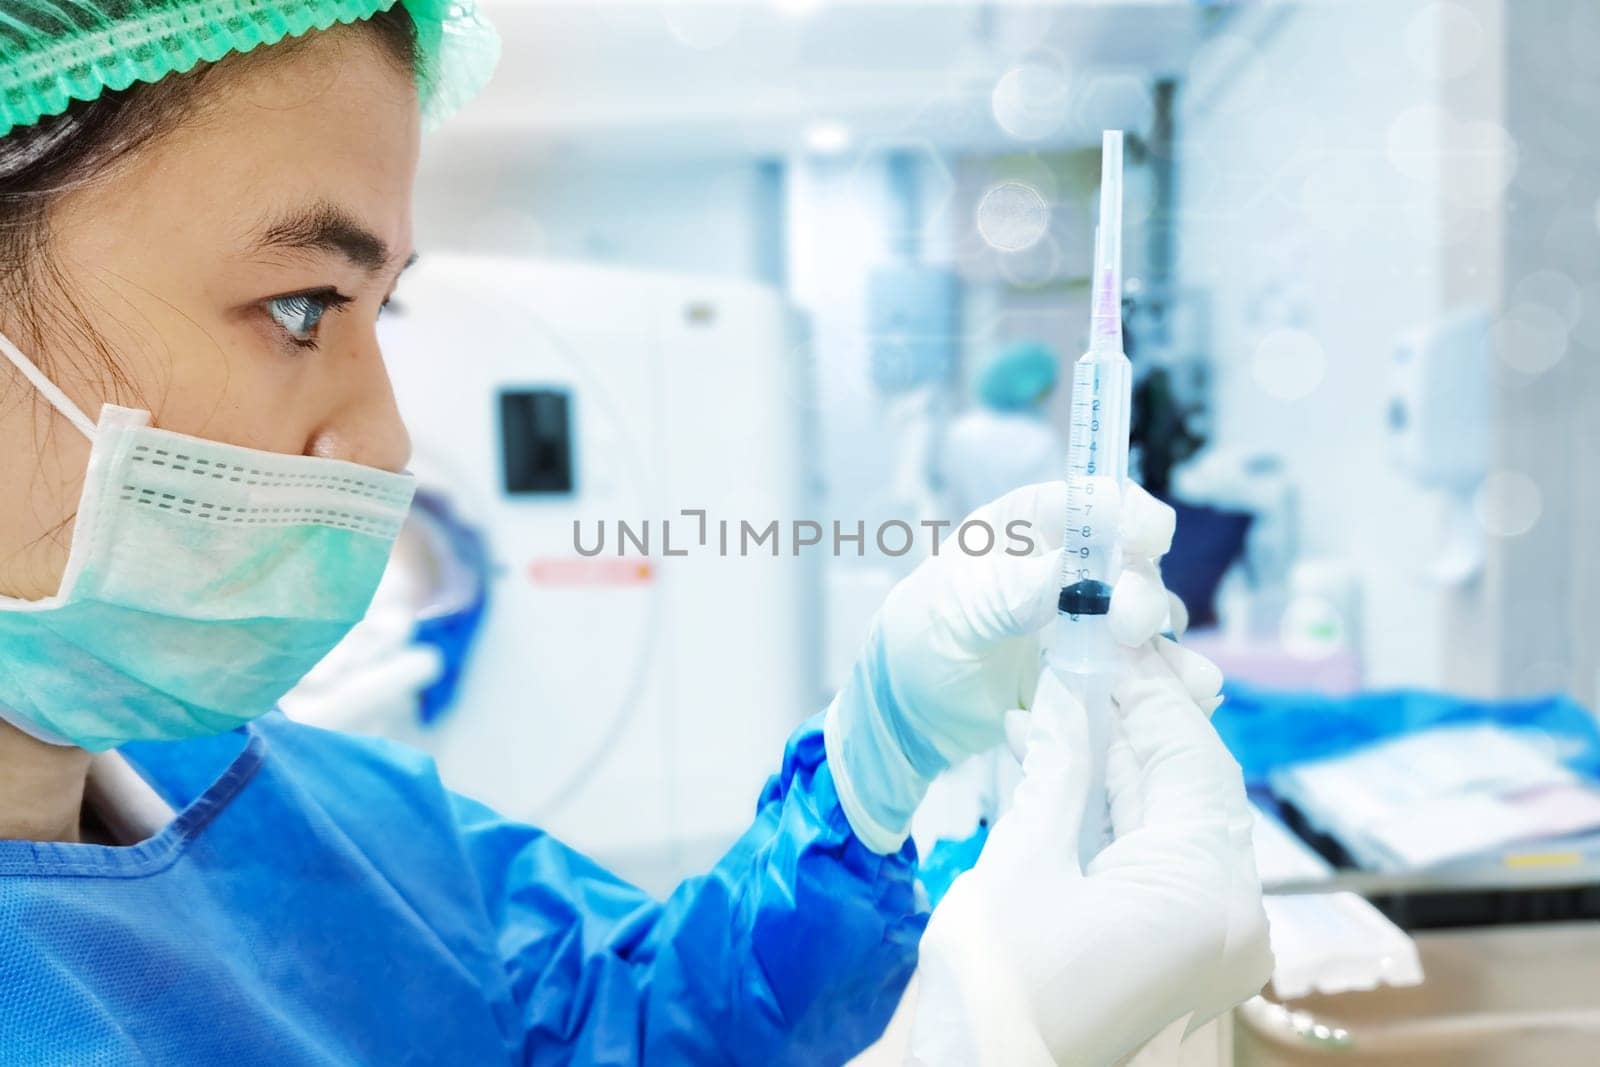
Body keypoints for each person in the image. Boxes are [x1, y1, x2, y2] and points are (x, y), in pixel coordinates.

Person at [0, 3, 1269, 1064]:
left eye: (381, 310)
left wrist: (877, 756)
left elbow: (621, 1020)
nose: (385, 439)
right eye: (299, 304)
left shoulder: (271, 801)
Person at [943, 340, 1067, 521]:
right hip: (1024, 541)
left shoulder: (960, 432)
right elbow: (1052, 509)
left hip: (967, 539)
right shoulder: (1041, 440)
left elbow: (947, 499)